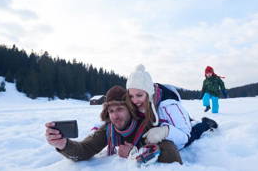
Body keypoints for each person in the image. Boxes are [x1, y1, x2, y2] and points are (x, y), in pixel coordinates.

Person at [45, 85, 182, 165]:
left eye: (120, 109)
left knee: (196, 130)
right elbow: (85, 149)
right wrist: (63, 145)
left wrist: (135, 153)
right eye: (111, 111)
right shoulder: (109, 128)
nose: (115, 115)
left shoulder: (146, 124)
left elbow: (172, 155)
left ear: (130, 109)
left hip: (180, 126)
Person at [125, 64, 218, 151]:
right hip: (170, 121)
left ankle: (206, 123)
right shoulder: (137, 104)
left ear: (149, 93)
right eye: (131, 96)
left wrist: (165, 132)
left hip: (180, 125)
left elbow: (185, 136)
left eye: (139, 95)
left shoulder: (169, 106)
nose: (134, 100)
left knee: (193, 133)